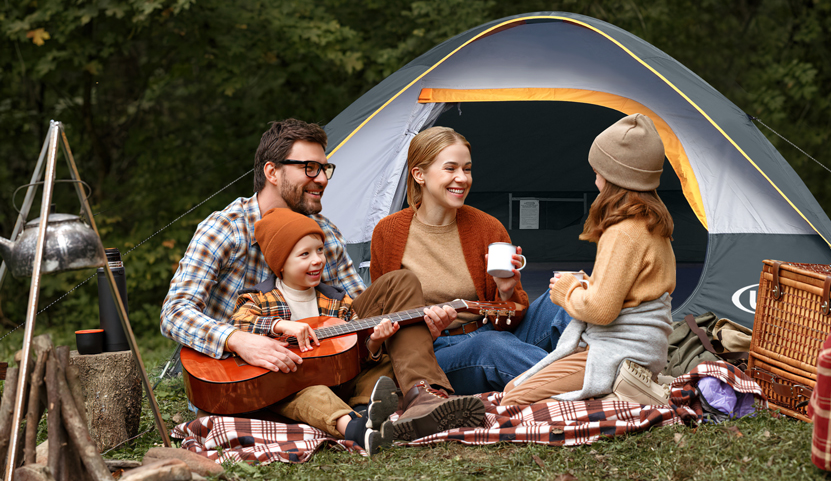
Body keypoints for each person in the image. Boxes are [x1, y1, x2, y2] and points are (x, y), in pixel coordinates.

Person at [161, 119, 482, 440]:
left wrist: (409, 328)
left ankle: (424, 397)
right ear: (272, 172)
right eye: (310, 168)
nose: (322, 179)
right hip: (241, 376)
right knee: (301, 390)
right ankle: (364, 411)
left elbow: (356, 313)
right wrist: (239, 340)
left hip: (319, 358)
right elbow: (175, 313)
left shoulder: (324, 232)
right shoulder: (226, 228)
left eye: (326, 169)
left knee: (400, 284)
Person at [369, 126, 572, 395]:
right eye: (450, 169)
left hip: (497, 333)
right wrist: (423, 332)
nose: (462, 178)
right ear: (419, 174)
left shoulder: (487, 227)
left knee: (565, 293)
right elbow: (380, 319)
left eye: (467, 169)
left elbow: (510, 319)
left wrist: (506, 291)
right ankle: (583, 378)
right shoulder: (389, 232)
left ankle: (568, 371)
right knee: (491, 346)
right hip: (436, 354)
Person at [499, 113, 676, 406]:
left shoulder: (623, 232)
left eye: (597, 172)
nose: (595, 180)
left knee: (513, 400)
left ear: (614, 175)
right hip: (647, 350)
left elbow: (601, 310)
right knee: (513, 387)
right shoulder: (653, 222)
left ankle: (616, 393)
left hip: (620, 352)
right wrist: (589, 284)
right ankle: (616, 388)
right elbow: (633, 293)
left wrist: (567, 290)